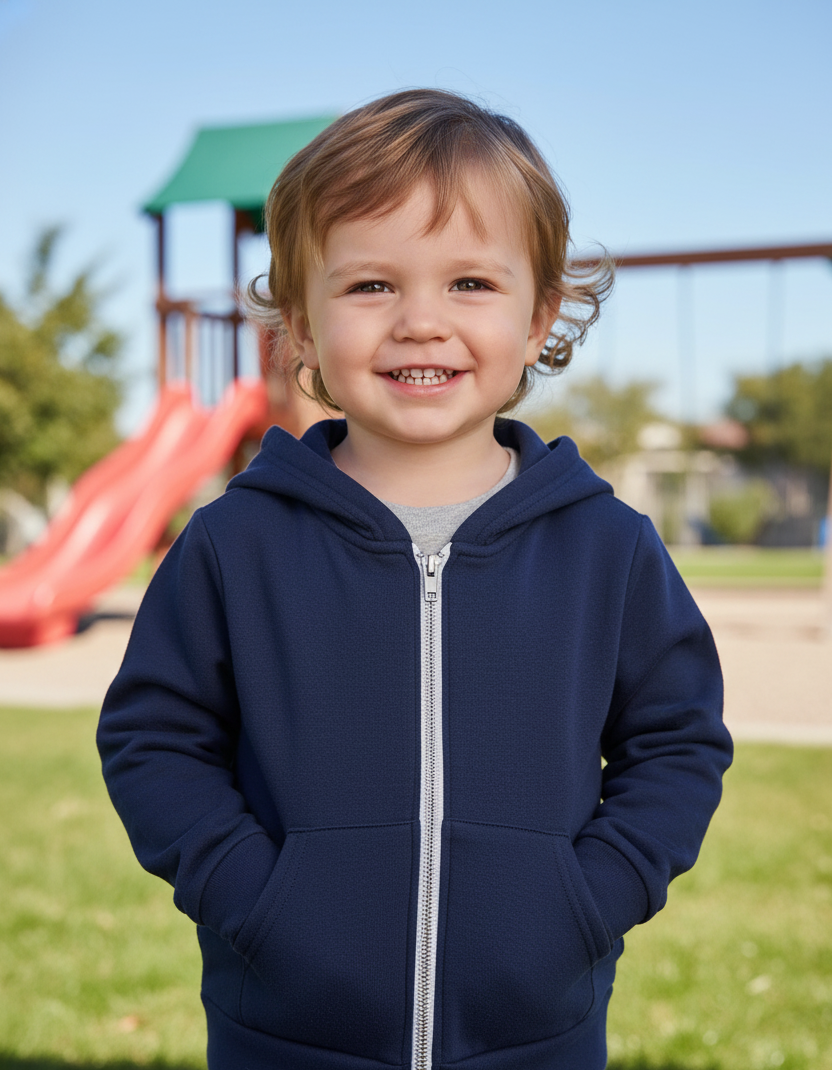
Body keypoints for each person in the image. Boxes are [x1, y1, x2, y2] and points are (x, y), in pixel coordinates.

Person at [97, 88, 733, 1070]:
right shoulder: (233, 543)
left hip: (536, 1035)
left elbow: (677, 740)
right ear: (300, 325)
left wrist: (587, 901)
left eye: (470, 283)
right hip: (286, 1033)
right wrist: (258, 900)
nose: (420, 322)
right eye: (370, 287)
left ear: (539, 317)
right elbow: (153, 740)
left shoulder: (607, 545)